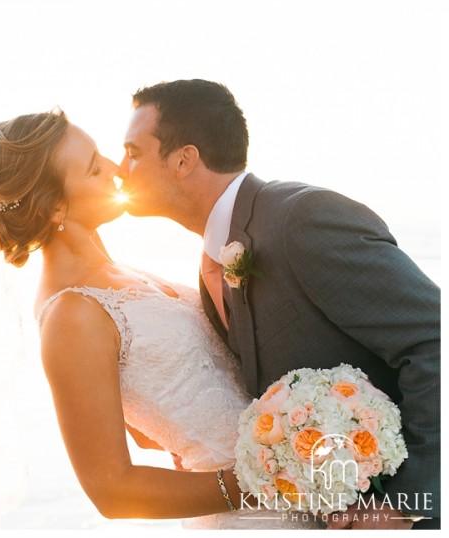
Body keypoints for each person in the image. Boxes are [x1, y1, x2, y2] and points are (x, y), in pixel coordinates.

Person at [0, 110, 318, 529]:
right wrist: (262, 478)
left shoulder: (123, 274)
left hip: (297, 484)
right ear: (55, 207)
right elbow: (112, 491)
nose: (117, 169)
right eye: (95, 168)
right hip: (251, 517)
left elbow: (155, 409)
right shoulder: (71, 315)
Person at [119, 79, 441, 529]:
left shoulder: (301, 218)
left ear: (183, 159)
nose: (120, 168)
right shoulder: (216, 256)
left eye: (133, 152)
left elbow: (434, 338)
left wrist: (404, 504)